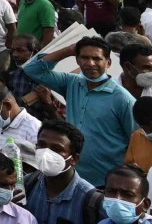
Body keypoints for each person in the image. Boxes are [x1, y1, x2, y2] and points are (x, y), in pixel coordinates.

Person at [21, 37, 137, 181]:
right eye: (84, 57)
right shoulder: (72, 83)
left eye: (96, 58)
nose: (90, 63)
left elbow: (136, 140)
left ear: (108, 62)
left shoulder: (123, 99)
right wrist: (69, 50)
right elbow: (32, 70)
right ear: (77, 60)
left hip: (106, 179)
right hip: (74, 177)